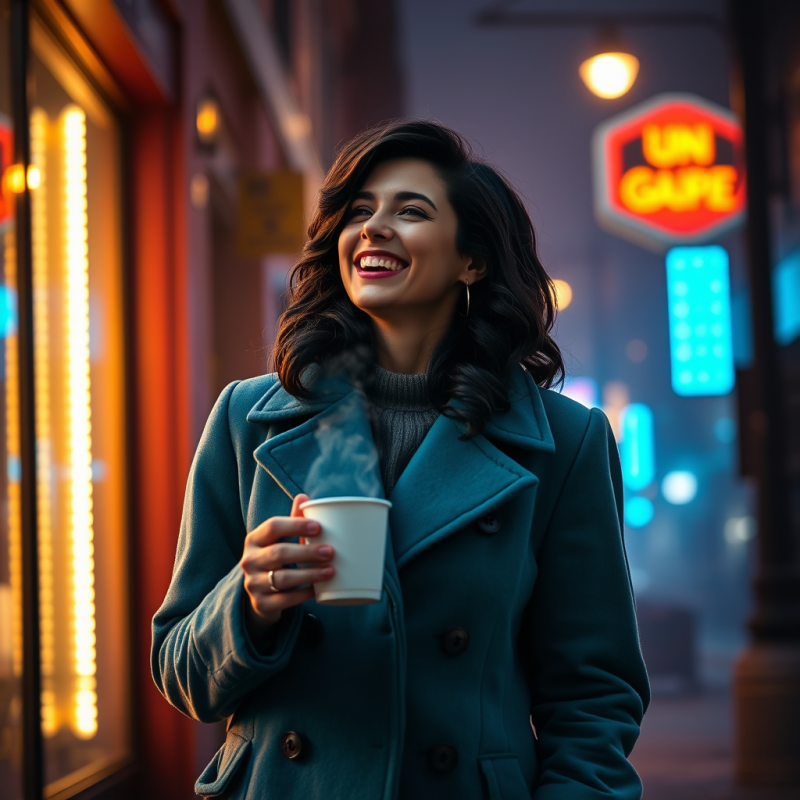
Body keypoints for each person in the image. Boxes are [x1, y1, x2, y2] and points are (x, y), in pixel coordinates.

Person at [151, 120, 650, 800]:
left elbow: (593, 697)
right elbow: (181, 676)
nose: (373, 228)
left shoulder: (564, 443)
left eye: (409, 212)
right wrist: (251, 601)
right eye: (360, 212)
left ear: (470, 260)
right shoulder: (247, 418)